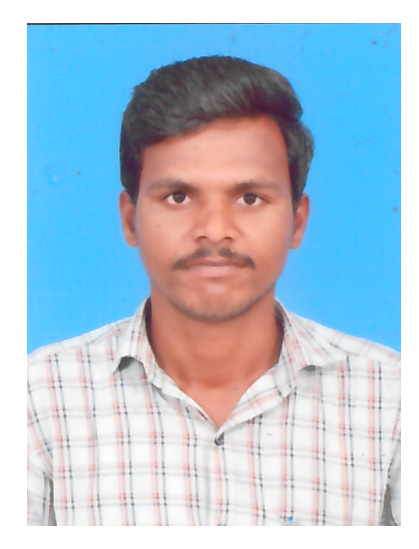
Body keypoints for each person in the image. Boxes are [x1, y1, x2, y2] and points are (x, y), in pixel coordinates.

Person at [27, 55, 400, 526]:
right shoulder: (36, 398)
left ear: (297, 221)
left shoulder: (393, 398)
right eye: (178, 196)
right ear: (130, 219)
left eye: (249, 198)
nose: (215, 230)